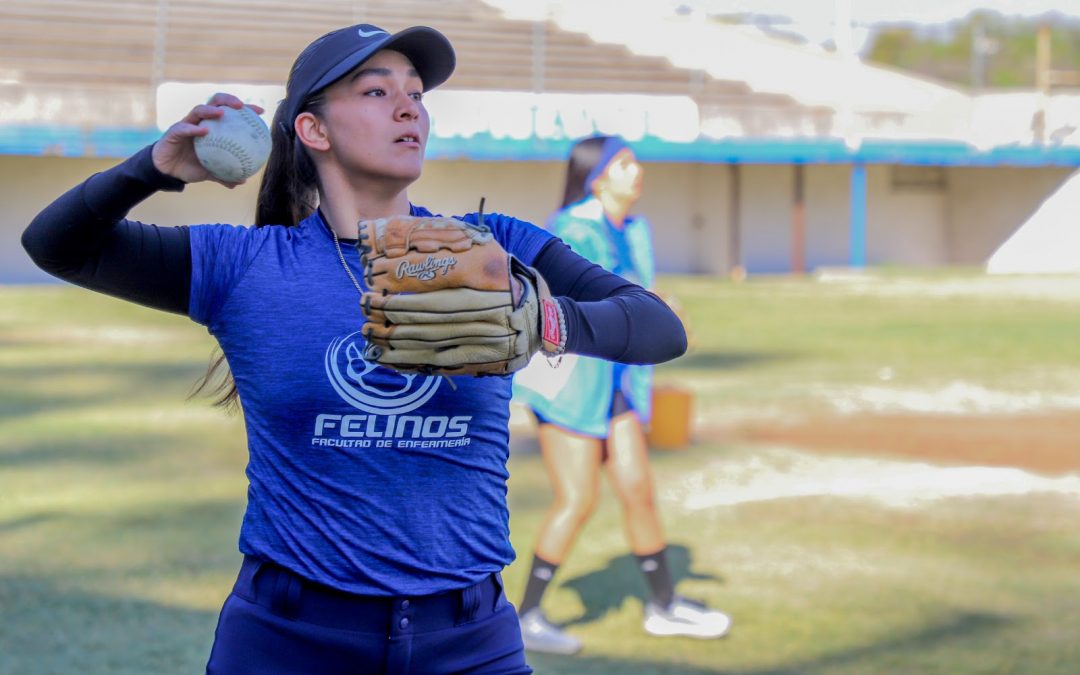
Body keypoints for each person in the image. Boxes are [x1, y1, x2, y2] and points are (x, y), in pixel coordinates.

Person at [21, 24, 688, 674]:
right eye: (375, 92)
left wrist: (543, 318)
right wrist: (155, 167)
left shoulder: (492, 246)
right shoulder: (244, 264)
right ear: (314, 130)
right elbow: (55, 243)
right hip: (289, 639)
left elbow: (656, 325)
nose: (408, 107)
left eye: (416, 93)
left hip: (468, 638)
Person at [511, 136, 731, 655]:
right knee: (579, 499)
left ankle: (664, 606)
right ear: (597, 177)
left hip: (614, 382)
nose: (638, 173)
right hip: (570, 384)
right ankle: (526, 617)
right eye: (625, 164)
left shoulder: (633, 230)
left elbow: (630, 295)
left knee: (638, 489)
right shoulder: (570, 230)